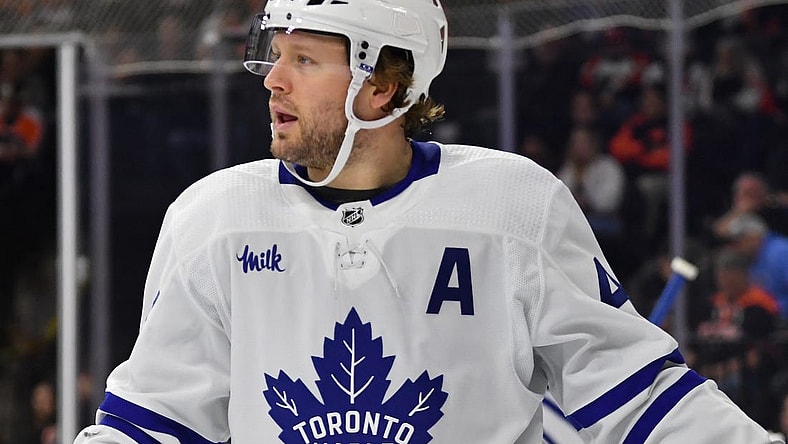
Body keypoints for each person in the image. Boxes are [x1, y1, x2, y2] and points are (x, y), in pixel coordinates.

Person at [75, 1, 780, 442]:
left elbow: (636, 399)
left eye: (304, 60)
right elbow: (155, 420)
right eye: (276, 53)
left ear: (384, 85)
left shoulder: (511, 208)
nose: (272, 80)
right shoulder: (214, 219)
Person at [723, 212, 788, 319]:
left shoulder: (781, 251)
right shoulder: (750, 257)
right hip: (765, 319)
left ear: (755, 236)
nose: (736, 246)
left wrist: (775, 308)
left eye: (740, 239)